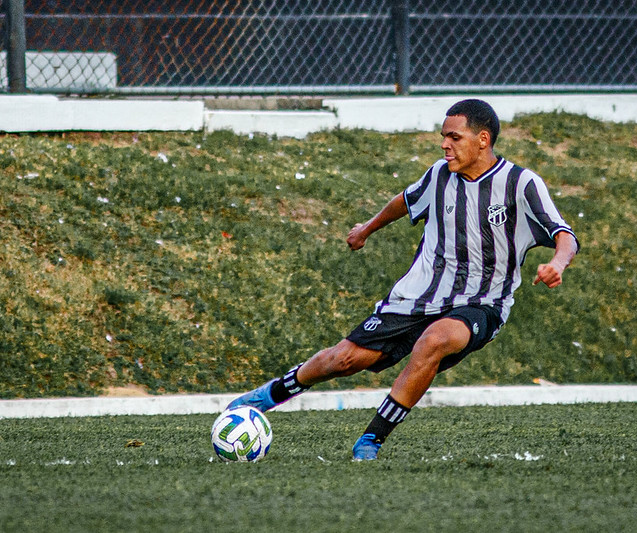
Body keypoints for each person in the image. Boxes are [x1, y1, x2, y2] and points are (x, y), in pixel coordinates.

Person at [226, 99, 579, 460]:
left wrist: (558, 263)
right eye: (443, 137)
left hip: (482, 303)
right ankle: (271, 394)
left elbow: (564, 235)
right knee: (343, 360)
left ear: (483, 139)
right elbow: (403, 201)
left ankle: (371, 440)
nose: (445, 145)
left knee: (435, 340)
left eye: (454, 137)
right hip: (415, 297)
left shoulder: (521, 183)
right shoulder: (439, 175)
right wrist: (366, 228)